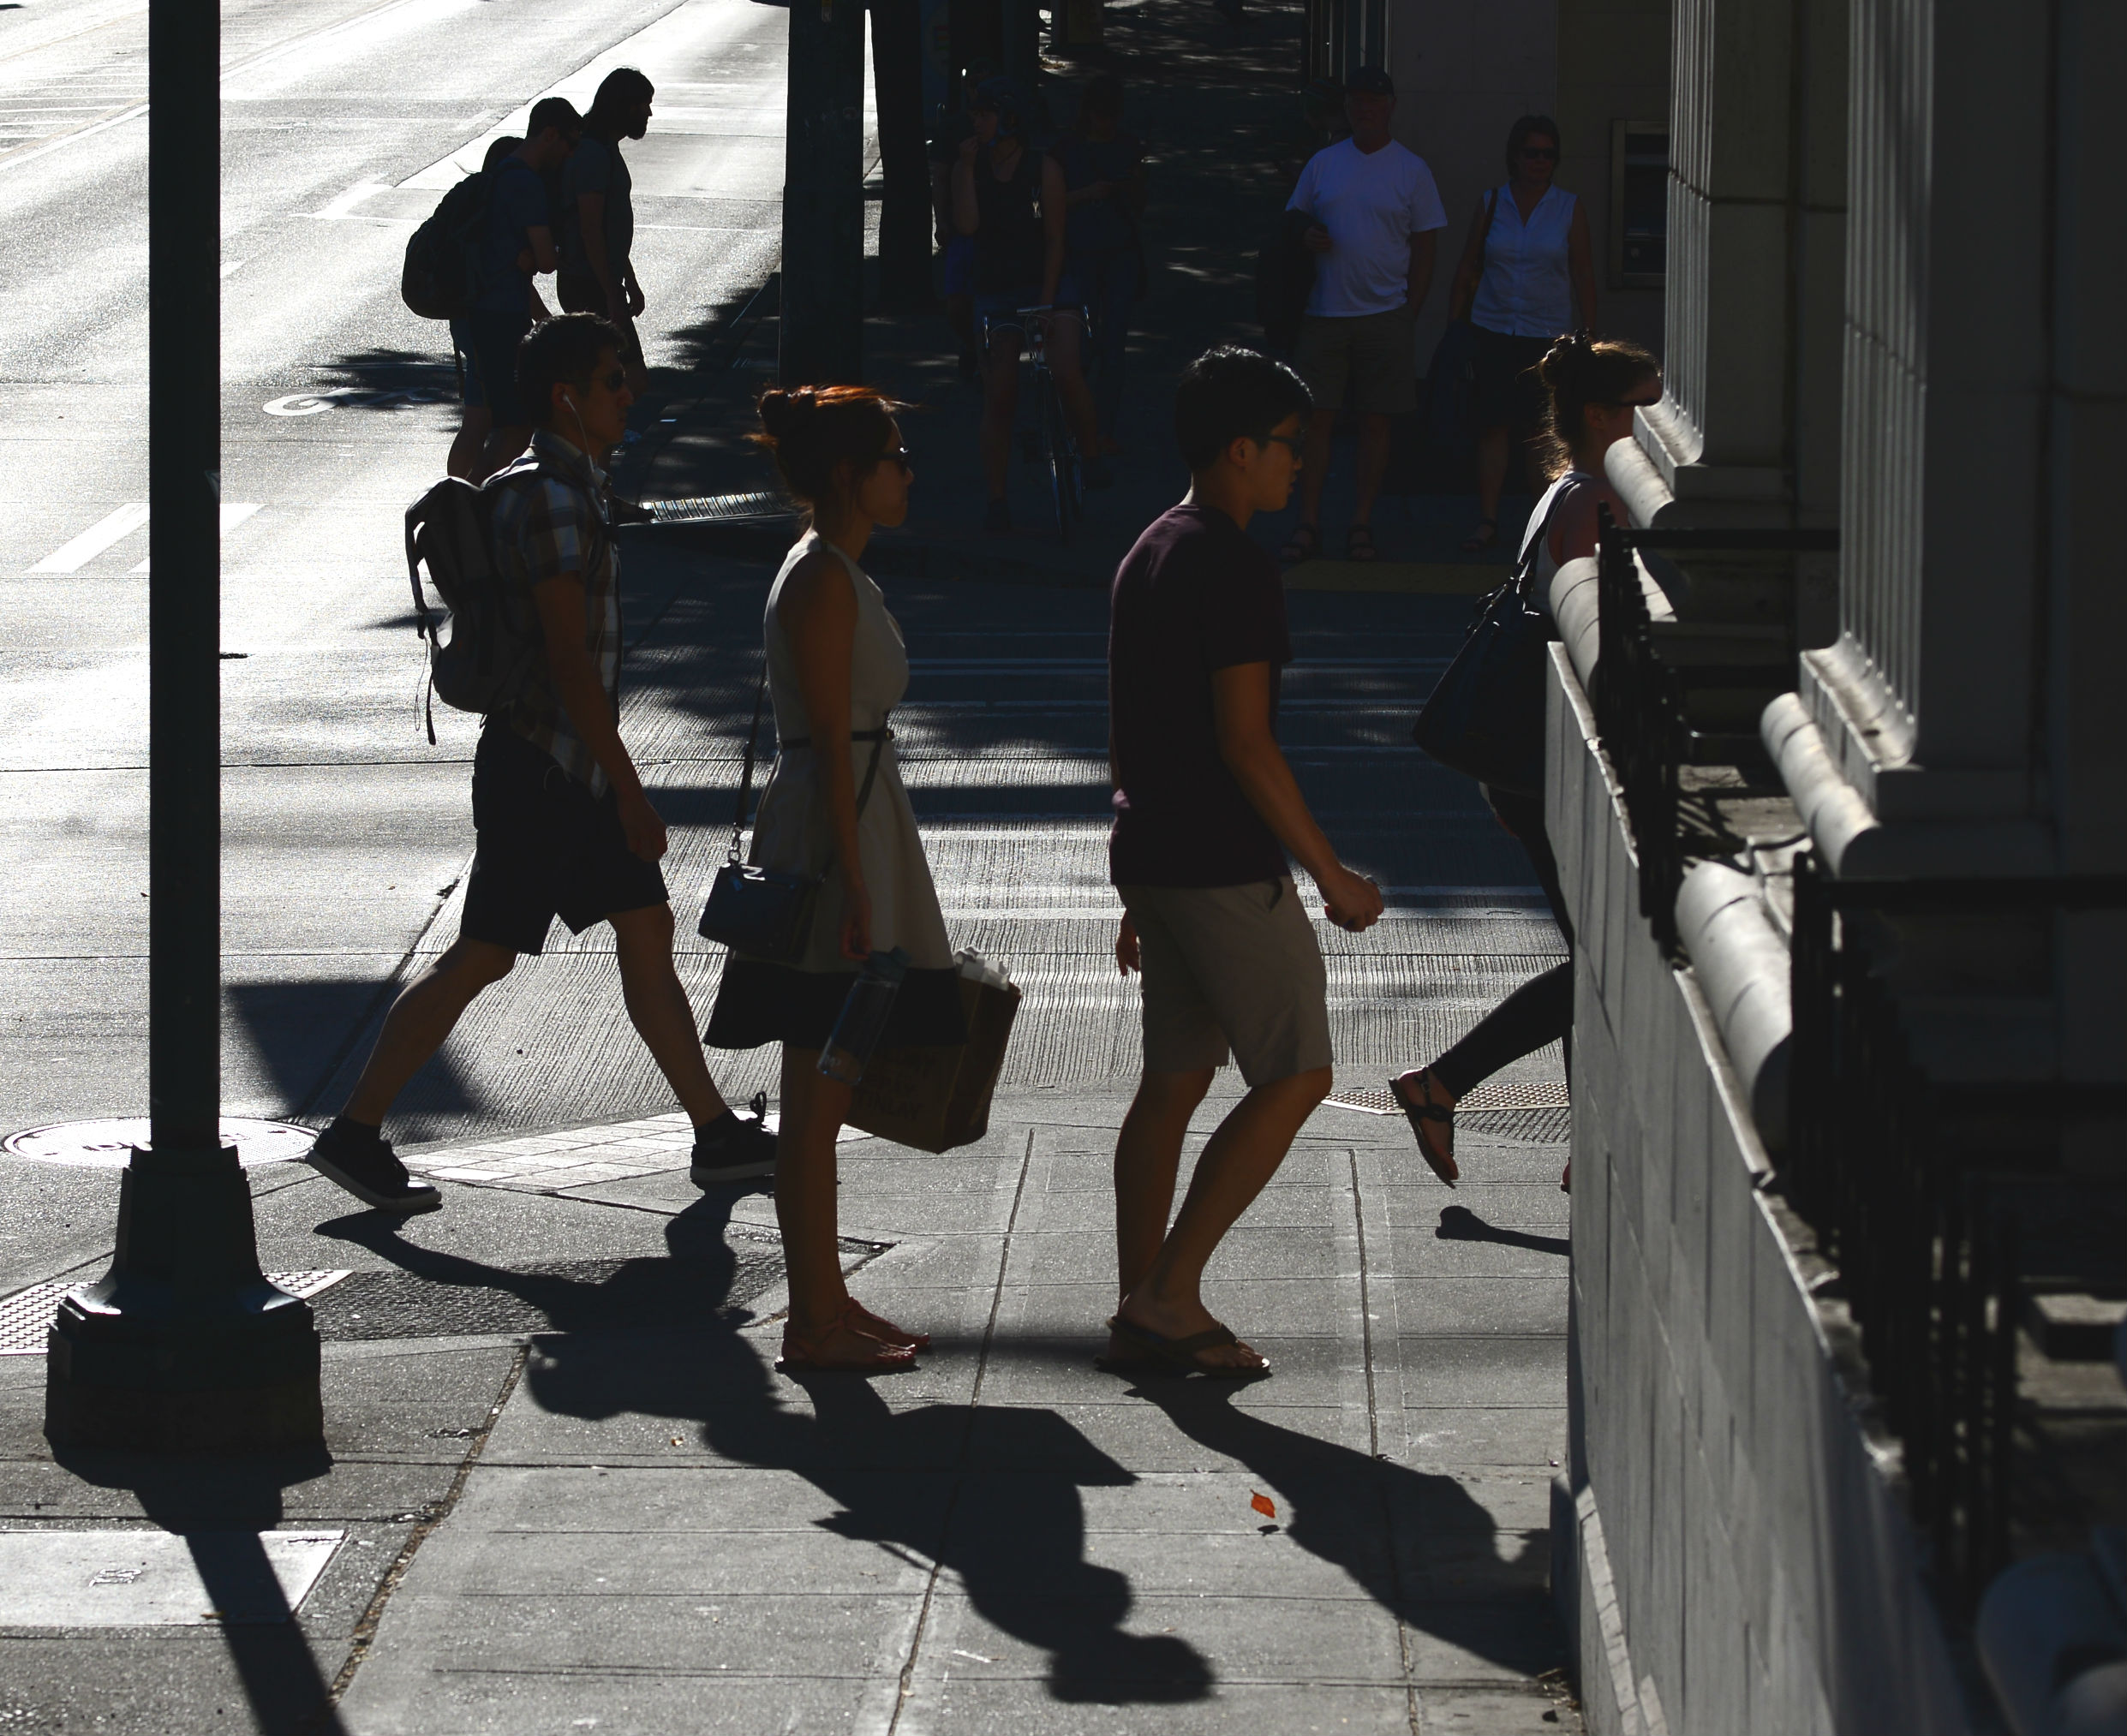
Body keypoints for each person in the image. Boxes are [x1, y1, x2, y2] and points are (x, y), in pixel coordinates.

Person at [308, 315, 777, 1214]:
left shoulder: (563, 484)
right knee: (481, 955)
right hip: (544, 769)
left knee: (645, 931)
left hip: (563, 767)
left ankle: (713, 1133)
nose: (630, 392)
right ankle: (355, 1131)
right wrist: (628, 787)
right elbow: (568, 660)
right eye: (613, 380)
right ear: (567, 396)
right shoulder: (552, 498)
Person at [1104, 347, 1386, 1376]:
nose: (1297, 466)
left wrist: (1135, 884)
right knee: (1297, 1072)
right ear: (1238, 449)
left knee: (1173, 1080)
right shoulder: (1231, 563)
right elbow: (1245, 740)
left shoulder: (1150, 547)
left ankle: (1142, 1299)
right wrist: (1329, 872)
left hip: (1157, 853)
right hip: (1220, 861)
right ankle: (1168, 1296)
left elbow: (1127, 723)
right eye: (1286, 447)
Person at [703, 387, 964, 1373]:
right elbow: (819, 730)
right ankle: (814, 1321)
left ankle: (826, 1303)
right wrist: (858, 886)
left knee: (825, 1092)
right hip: (835, 833)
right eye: (895, 455)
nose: (907, 471)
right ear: (852, 474)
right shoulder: (818, 577)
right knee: (816, 1098)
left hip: (852, 820)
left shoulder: (835, 570)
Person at [1389, 334, 1660, 1191]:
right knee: (1598, 956)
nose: (1656, 424)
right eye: (1641, 406)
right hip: (1549, 764)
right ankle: (1442, 1082)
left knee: (1591, 948)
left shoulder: (1562, 491)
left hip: (1526, 761)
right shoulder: (1589, 505)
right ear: (1597, 414)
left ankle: (1579, 1142)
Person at [1280, 67, 1445, 565]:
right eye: (1355, 100)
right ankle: (1308, 522)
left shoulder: (1411, 170)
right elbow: (1293, 222)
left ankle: (1361, 523)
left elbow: (1426, 246)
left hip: (1384, 315)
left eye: (1373, 100)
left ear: (1390, 105)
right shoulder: (1324, 163)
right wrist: (1305, 237)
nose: (1364, 108)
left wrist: (1408, 311)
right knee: (1317, 422)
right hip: (1324, 312)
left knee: (1377, 424)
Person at [953, 77, 1101, 534]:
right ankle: (997, 498)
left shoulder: (1043, 170)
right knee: (1001, 392)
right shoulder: (973, 165)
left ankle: (1092, 454)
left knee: (1063, 363)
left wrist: (1046, 302)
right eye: (974, 113)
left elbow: (1056, 239)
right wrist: (962, 170)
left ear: (1009, 120)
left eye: (986, 112)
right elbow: (967, 225)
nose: (976, 120)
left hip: (1047, 282)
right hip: (997, 287)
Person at [1447, 115, 1598, 552]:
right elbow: (1469, 264)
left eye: (1548, 154)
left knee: (1540, 433)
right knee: (1493, 427)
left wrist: (1589, 333)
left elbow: (1583, 272)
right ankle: (1488, 519)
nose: (1539, 161)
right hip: (1494, 328)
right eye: (1532, 152)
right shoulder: (1492, 202)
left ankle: (1539, 525)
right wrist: (1456, 324)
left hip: (1546, 334)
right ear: (1515, 156)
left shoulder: (1569, 208)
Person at [446, 98, 580, 484]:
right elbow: (545, 259)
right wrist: (548, 252)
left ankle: (462, 495)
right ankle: (471, 503)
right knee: (517, 425)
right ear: (550, 134)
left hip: (475, 313)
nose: (570, 154)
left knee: (481, 417)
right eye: (569, 144)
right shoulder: (526, 182)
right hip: (500, 319)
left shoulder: (500, 172)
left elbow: (507, 261)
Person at [1053, 75, 1145, 457]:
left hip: (1113, 253)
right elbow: (1046, 203)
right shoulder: (1068, 150)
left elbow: (1139, 201)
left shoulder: (1119, 147)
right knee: (1088, 347)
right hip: (1084, 255)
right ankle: (1085, 424)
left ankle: (1099, 428)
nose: (1105, 123)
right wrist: (1090, 194)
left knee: (1112, 345)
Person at [560, 67, 654, 397]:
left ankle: (594, 447)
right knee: (625, 383)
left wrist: (628, 279)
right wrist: (612, 293)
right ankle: (588, 445)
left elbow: (609, 228)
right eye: (644, 105)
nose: (649, 113)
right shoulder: (593, 154)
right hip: (587, 286)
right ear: (626, 106)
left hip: (600, 282)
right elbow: (590, 229)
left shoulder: (606, 149)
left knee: (610, 386)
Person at [446, 134, 535, 482]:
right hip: (494, 326)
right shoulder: (506, 209)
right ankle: (472, 496)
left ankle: (454, 490)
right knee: (513, 423)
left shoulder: (477, 204)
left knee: (477, 419)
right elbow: (519, 279)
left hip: (468, 320)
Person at [929, 61, 999, 381]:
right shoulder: (954, 128)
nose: (977, 93)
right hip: (961, 228)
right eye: (972, 85)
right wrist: (941, 220)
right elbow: (940, 178)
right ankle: (973, 345)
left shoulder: (1009, 126)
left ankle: (989, 353)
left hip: (999, 226)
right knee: (957, 302)